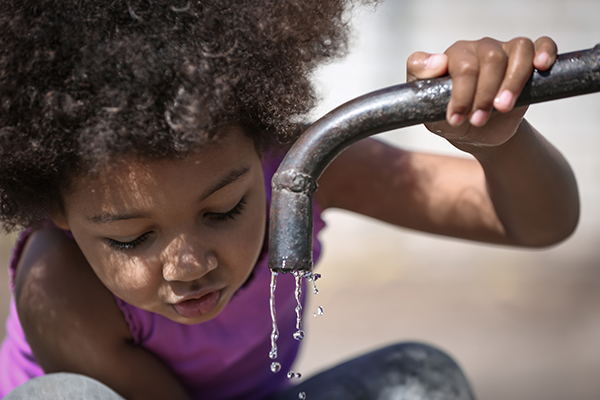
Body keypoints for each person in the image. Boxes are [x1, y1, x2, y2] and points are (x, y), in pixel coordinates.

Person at [0, 0, 579, 399]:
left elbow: (539, 224)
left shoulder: (302, 171)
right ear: (56, 211)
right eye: (131, 238)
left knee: (419, 379)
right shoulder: (56, 284)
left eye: (224, 210)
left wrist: (499, 140)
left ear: (264, 150)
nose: (190, 265)